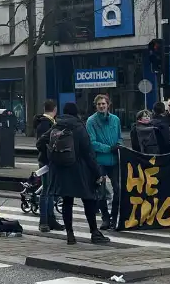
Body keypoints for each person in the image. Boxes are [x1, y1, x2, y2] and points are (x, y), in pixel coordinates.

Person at [42, 103, 108, 245]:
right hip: (80, 170)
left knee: (67, 202)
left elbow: (41, 142)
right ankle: (94, 232)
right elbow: (88, 153)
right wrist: (97, 173)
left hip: (61, 170)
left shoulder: (56, 126)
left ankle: (70, 234)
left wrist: (50, 159)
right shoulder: (79, 127)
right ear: (76, 113)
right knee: (88, 200)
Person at [86, 94, 122, 230]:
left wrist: (118, 145)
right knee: (101, 192)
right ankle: (105, 218)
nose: (101, 106)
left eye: (103, 104)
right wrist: (108, 148)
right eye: (99, 104)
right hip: (100, 161)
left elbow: (119, 137)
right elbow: (92, 142)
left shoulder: (116, 120)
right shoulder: (91, 121)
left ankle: (114, 217)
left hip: (114, 160)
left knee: (118, 189)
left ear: (108, 105)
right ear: (96, 106)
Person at [32, 100, 62, 233]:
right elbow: (42, 143)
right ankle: (43, 221)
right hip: (47, 161)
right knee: (46, 191)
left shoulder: (45, 123)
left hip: (48, 161)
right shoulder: (46, 124)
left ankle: (50, 219)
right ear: (55, 109)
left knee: (50, 190)